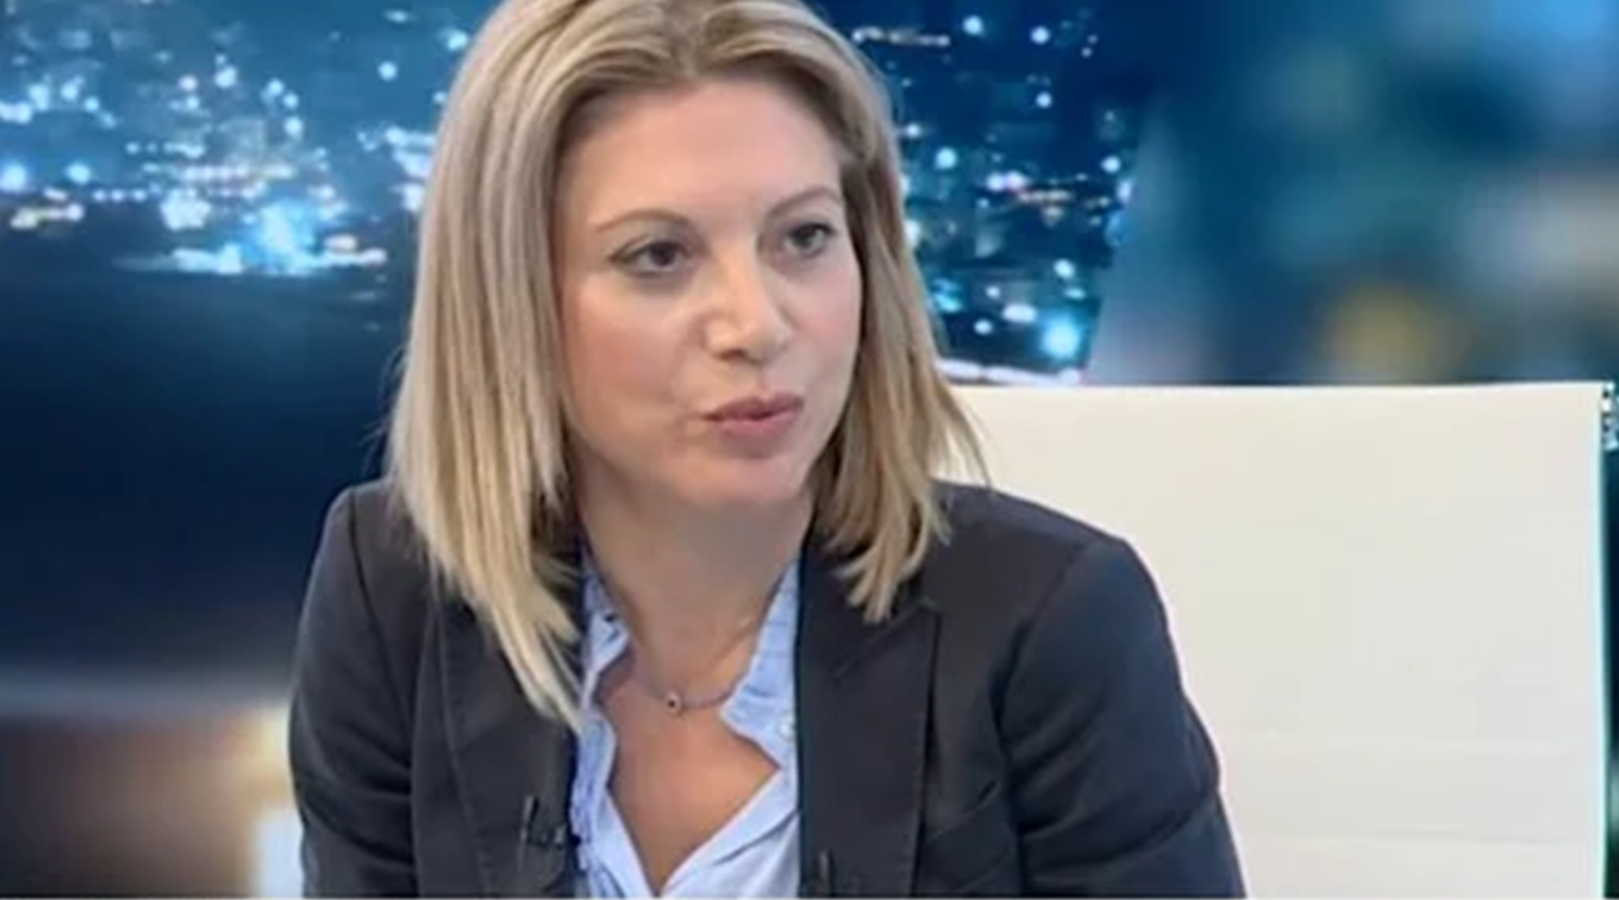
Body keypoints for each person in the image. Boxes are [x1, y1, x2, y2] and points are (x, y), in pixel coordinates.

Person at [287, 0, 1245, 895]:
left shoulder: (1051, 623)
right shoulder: (396, 590)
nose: (756, 324)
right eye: (658, 255)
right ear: (511, 299)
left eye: (803, 237)